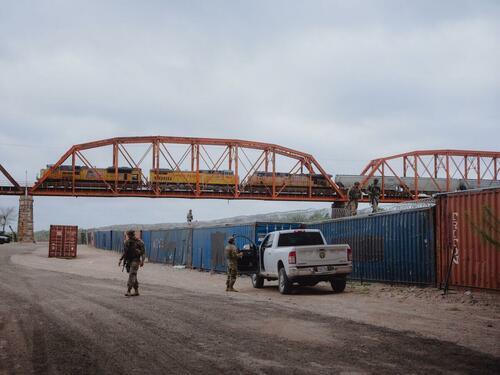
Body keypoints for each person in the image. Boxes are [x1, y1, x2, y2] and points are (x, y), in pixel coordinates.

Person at [118, 230, 145, 297]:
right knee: (133, 275)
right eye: (128, 235)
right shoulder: (127, 242)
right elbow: (125, 252)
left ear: (133, 234)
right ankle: (136, 291)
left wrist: (142, 261)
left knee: (132, 274)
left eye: (130, 235)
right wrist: (121, 259)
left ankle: (128, 290)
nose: (129, 236)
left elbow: (143, 253)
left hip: (136, 260)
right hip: (129, 261)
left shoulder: (140, 242)